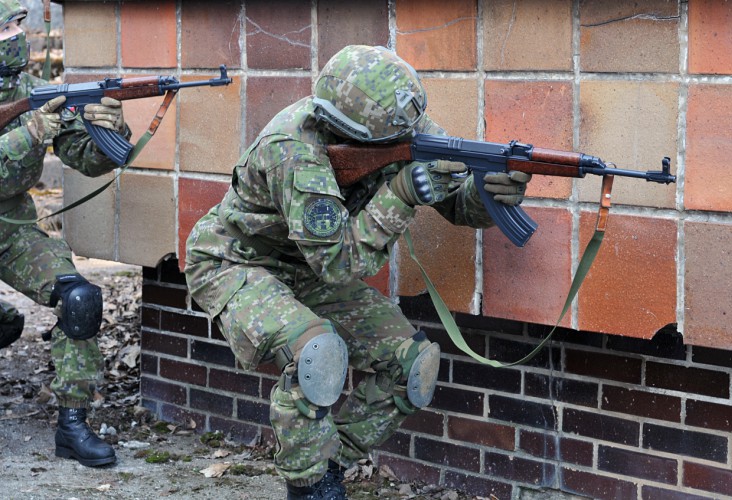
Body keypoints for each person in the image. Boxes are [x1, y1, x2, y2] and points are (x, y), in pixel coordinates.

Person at [185, 45, 531, 500]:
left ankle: (329, 467)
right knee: (316, 354)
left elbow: (456, 202)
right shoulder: (294, 151)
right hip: (236, 261)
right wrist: (404, 193)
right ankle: (306, 489)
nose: (406, 139)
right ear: (347, 129)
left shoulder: (401, 125)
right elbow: (340, 264)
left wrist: (491, 193)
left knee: (412, 364)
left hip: (311, 267)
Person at [0, 0, 129, 467]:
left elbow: (84, 158)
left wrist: (106, 131)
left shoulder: (38, 92)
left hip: (12, 230)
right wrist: (28, 133)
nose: (17, 35)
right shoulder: (29, 114)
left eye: (19, 26)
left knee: (80, 300)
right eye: (6, 27)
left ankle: (72, 428)